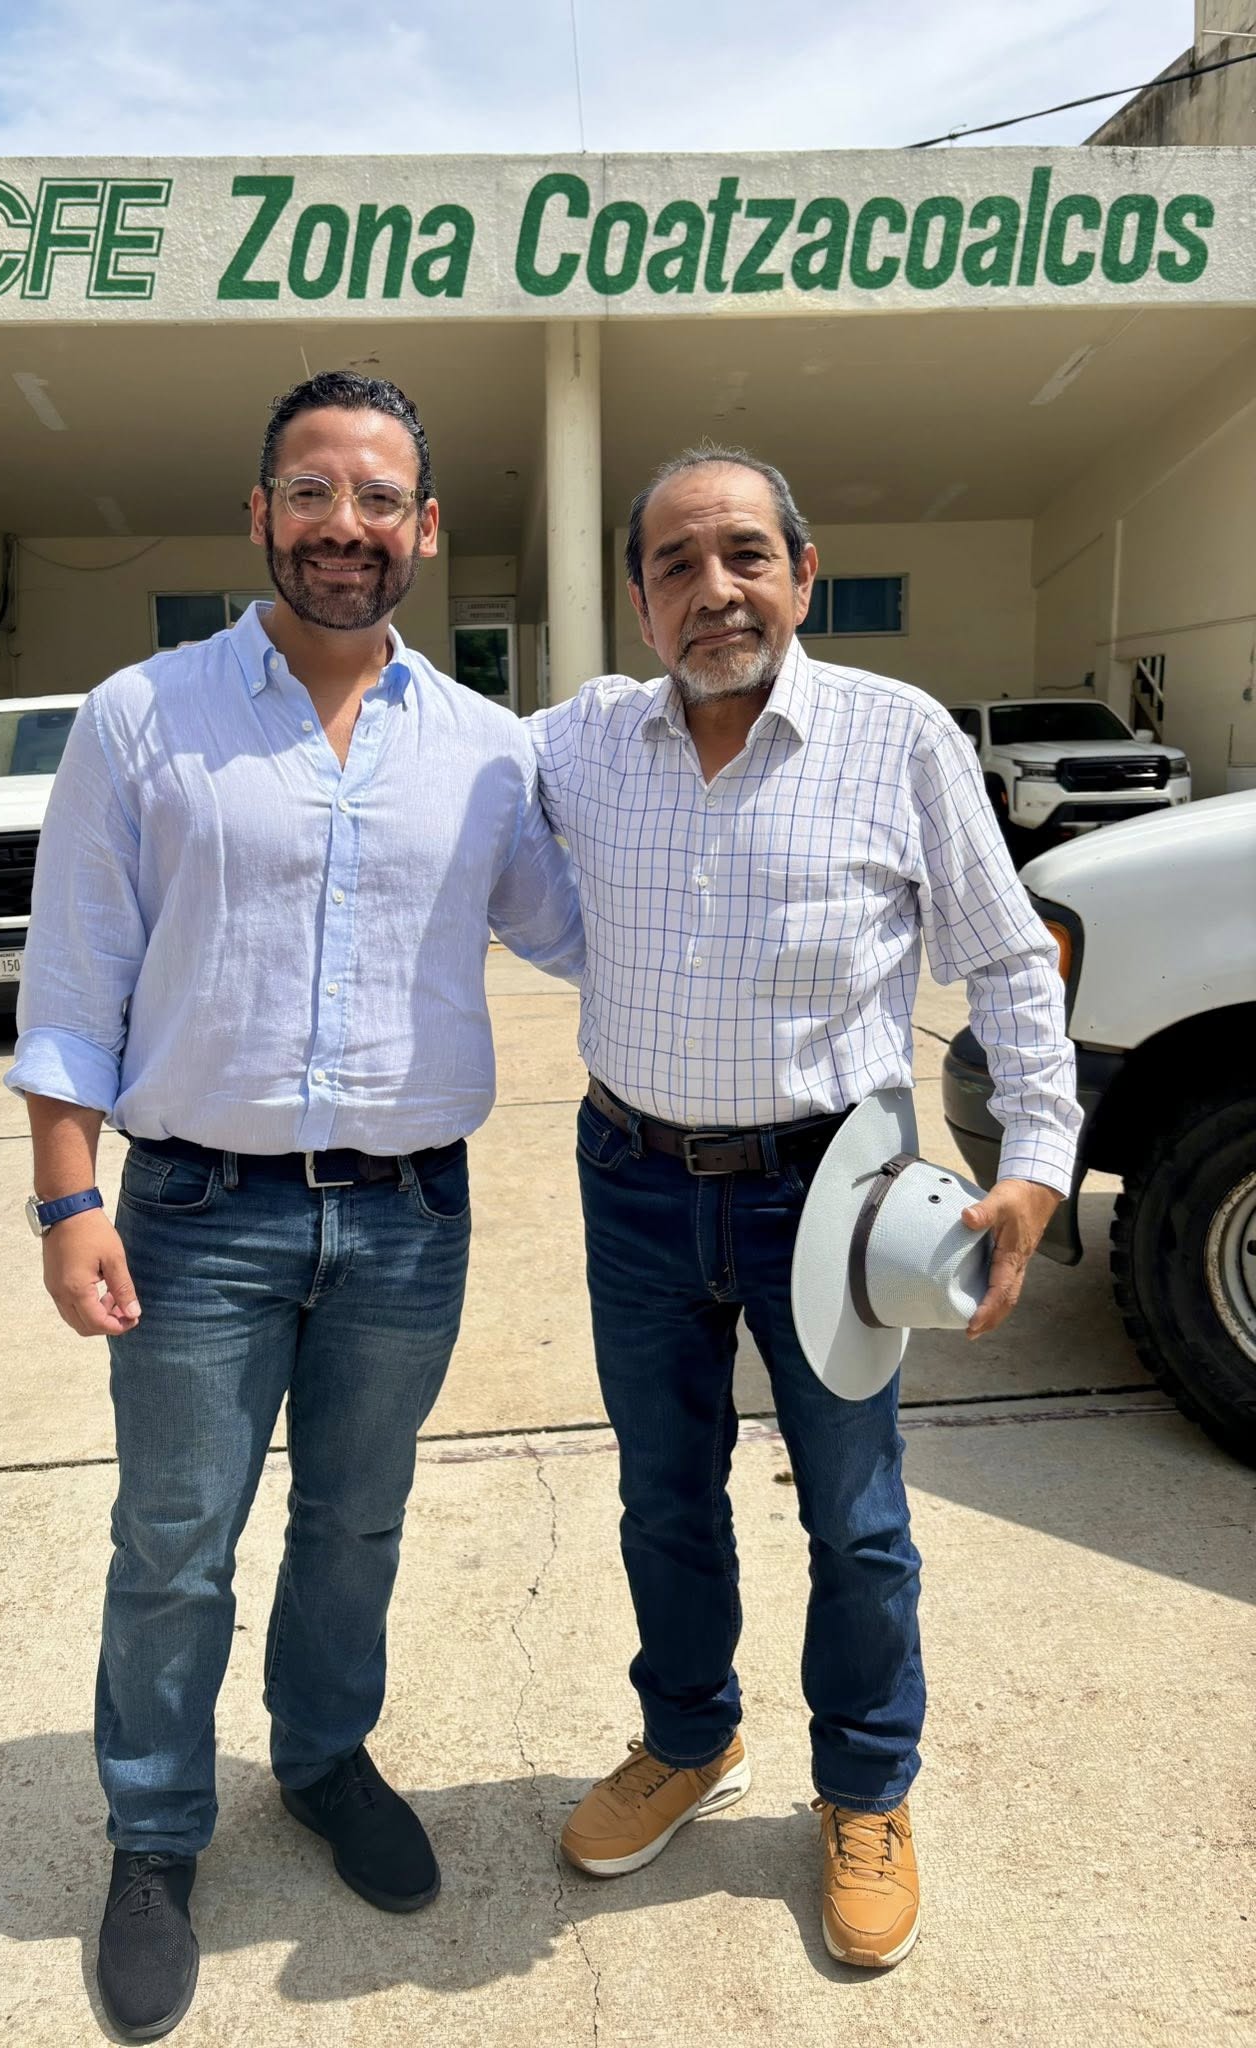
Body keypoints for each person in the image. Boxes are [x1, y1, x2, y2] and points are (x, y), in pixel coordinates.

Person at [6, 371, 582, 2040]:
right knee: (174, 1542)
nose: (347, 525)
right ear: (261, 514)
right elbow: (75, 976)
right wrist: (66, 1200)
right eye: (314, 492)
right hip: (194, 1215)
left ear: (425, 531)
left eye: (379, 498)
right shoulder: (142, 717)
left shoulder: (486, 749)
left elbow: (579, 929)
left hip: (407, 1223)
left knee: (356, 1520)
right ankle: (154, 1830)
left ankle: (323, 1759)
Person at [530, 445, 1079, 1970]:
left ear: (803, 573)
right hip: (633, 1183)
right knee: (664, 1494)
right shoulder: (582, 743)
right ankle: (688, 1739)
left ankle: (867, 1787)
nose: (715, 590)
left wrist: (1038, 1160)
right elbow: (425, 765)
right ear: (639, 600)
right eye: (677, 565)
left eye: (746, 555)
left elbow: (1008, 956)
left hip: (831, 1197)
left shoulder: (897, 739)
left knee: (856, 1515)